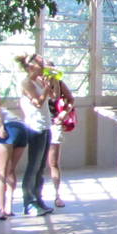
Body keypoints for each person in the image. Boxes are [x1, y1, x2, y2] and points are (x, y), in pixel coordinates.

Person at [15, 53, 53, 216]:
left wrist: (50, 84)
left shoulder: (38, 81)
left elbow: (51, 97)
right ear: (30, 66)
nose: (43, 64)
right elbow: (38, 102)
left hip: (46, 126)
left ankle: (38, 198)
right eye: (40, 63)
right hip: (35, 127)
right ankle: (28, 202)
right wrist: (45, 88)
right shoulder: (26, 83)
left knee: (41, 167)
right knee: (33, 166)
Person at [44, 69, 75, 209]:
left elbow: (71, 99)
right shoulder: (37, 84)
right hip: (41, 124)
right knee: (38, 162)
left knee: (53, 162)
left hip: (54, 124)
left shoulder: (60, 84)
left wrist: (64, 113)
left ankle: (57, 195)